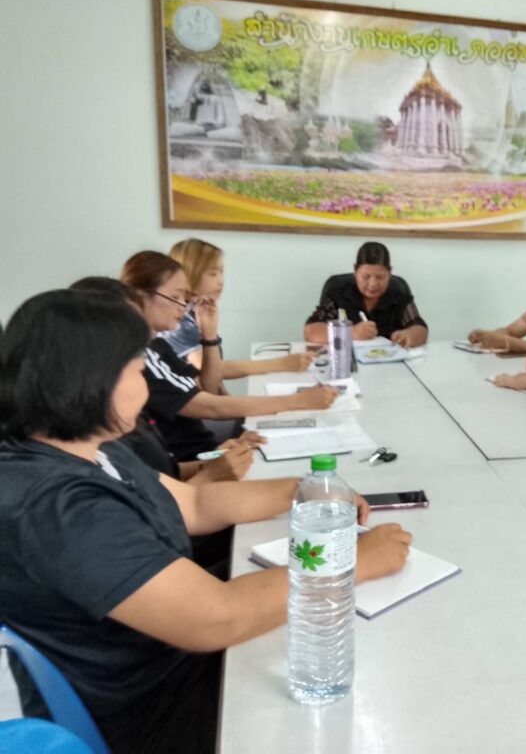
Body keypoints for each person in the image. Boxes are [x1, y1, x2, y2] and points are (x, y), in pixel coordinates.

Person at [0, 289, 412, 754]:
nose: (145, 380)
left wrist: (304, 490)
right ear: (92, 379)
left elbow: (194, 504)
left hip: (170, 656)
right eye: (137, 367)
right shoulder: (57, 507)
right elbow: (217, 618)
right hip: (155, 706)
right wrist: (356, 561)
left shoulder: (91, 447)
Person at [121, 251, 339, 463]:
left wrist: (209, 335)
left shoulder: (158, 346)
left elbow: (208, 387)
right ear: (142, 298)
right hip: (195, 458)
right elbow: (209, 407)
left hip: (206, 449)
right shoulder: (140, 357)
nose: (182, 305)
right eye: (175, 297)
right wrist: (297, 401)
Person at [69, 276, 254, 484]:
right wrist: (209, 475)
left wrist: (218, 458)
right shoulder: (96, 443)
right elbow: (157, 500)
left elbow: (166, 473)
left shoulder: (130, 420)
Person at [164, 237, 317, 376]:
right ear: (189, 275)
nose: (221, 281)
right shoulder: (179, 321)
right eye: (213, 274)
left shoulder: (197, 309)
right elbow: (210, 369)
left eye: (221, 272)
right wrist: (282, 364)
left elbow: (215, 384)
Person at [304, 241, 428, 348]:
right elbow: (311, 332)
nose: (372, 284)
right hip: (348, 362)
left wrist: (409, 335)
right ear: (355, 270)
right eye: (365, 276)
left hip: (390, 364)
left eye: (380, 277)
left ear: (390, 273)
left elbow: (420, 328)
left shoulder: (398, 293)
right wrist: (351, 332)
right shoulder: (338, 292)